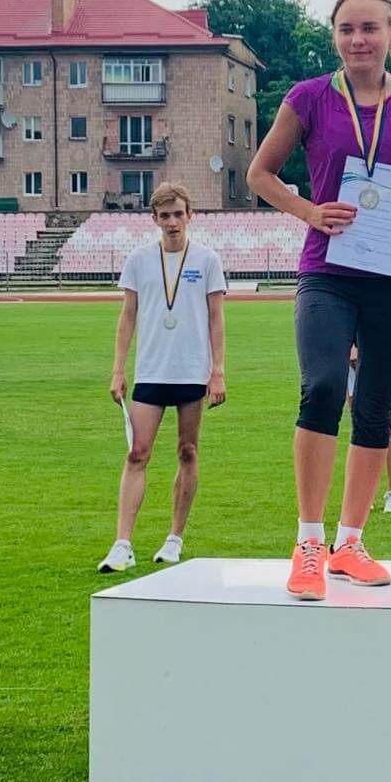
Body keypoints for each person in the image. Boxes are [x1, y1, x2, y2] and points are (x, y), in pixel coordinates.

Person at [247, 0, 391, 601]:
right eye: (347, 28)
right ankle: (308, 540)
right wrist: (310, 211)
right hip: (327, 270)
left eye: (370, 28)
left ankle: (350, 542)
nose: (359, 39)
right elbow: (259, 173)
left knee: (376, 406)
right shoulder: (308, 97)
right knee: (324, 387)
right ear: (335, 35)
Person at [100, 183, 227, 572]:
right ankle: (122, 544)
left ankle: (174, 538)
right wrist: (118, 369)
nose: (173, 222)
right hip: (151, 369)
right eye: (165, 215)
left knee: (187, 451)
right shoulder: (139, 260)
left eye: (178, 214)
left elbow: (216, 318)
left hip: (192, 369)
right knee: (137, 453)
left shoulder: (207, 260)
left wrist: (217, 371)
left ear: (190, 216)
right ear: (154, 219)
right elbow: (127, 316)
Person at [347, 346, 391, 512]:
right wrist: (352, 349)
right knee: (360, 425)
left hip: (388, 351)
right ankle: (363, 495)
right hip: (354, 357)